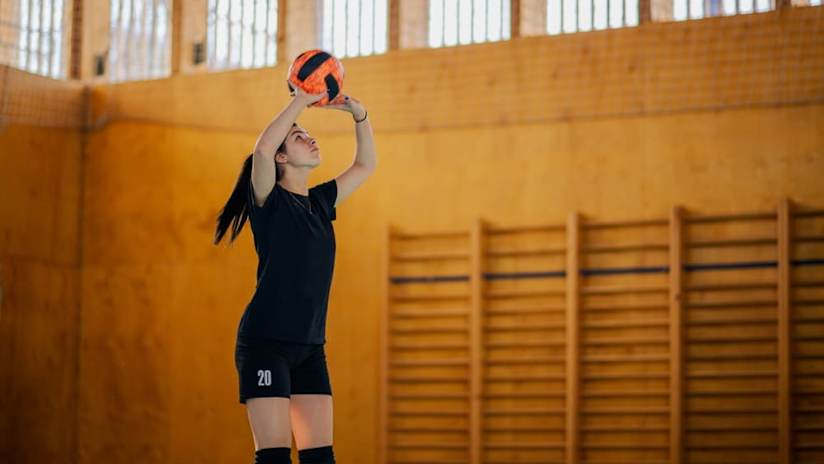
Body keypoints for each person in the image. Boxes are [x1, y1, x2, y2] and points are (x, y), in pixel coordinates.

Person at [213, 79, 376, 464]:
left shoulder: (320, 203)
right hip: (265, 344)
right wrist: (300, 101)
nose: (310, 138)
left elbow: (366, 164)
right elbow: (263, 149)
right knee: (274, 457)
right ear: (282, 158)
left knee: (320, 458)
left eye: (308, 133)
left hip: (310, 348)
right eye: (299, 136)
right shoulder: (269, 200)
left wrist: (359, 114)